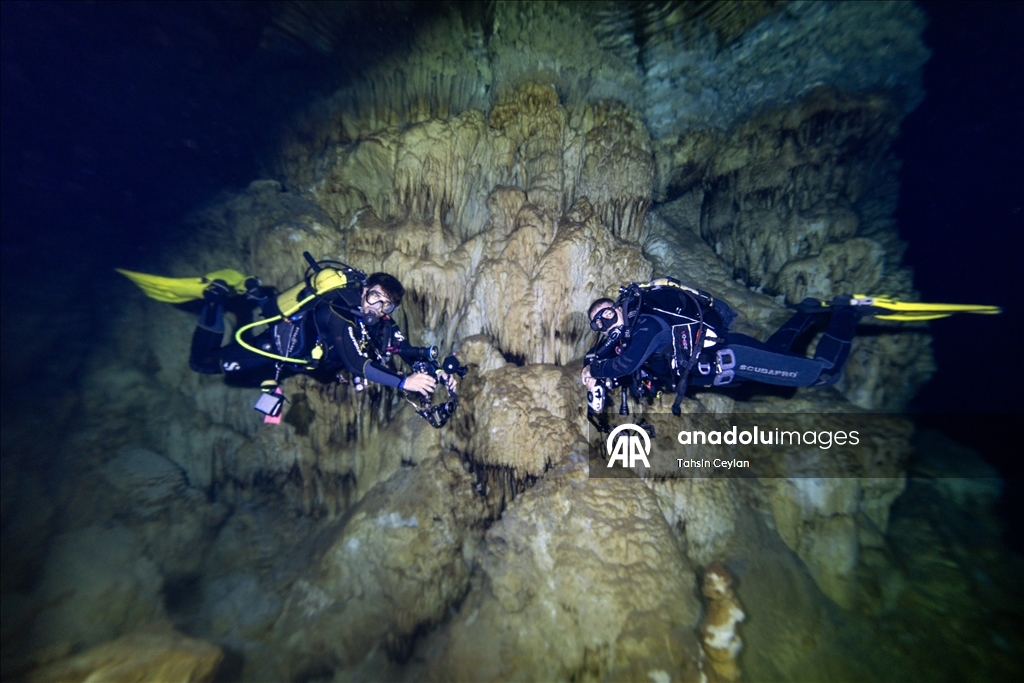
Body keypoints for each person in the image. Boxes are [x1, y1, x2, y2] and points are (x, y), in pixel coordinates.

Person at [581, 284, 872, 415]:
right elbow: (623, 366)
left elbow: (625, 364)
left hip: (734, 358)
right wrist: (595, 372)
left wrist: (595, 369)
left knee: (824, 374)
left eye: (607, 313)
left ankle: (846, 311)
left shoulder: (647, 324)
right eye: (597, 322)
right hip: (730, 370)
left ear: (618, 308)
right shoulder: (628, 339)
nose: (604, 322)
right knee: (776, 350)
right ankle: (806, 314)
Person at [189, 270, 455, 398]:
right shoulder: (338, 311)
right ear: (364, 291)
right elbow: (357, 364)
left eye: (386, 304)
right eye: (375, 297)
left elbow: (404, 348)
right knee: (202, 363)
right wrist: (404, 382)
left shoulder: (381, 320)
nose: (377, 308)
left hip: (310, 360)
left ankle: (257, 296)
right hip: (279, 346)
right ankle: (215, 299)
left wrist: (438, 372)